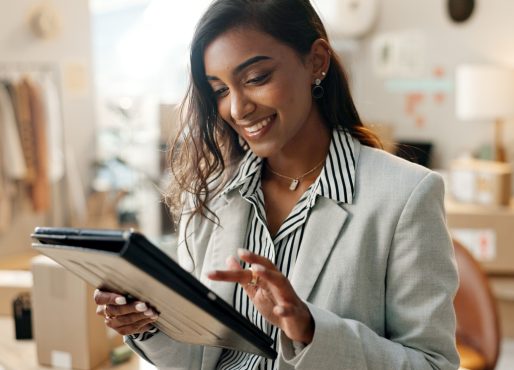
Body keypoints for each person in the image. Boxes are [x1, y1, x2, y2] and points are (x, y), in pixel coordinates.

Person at [93, 0, 460, 369]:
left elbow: (434, 364)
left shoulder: (406, 195)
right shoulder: (209, 194)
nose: (237, 109)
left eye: (255, 79)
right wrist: (147, 325)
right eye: (220, 90)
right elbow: (198, 358)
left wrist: (310, 330)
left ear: (316, 61)